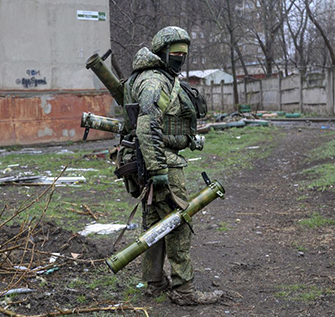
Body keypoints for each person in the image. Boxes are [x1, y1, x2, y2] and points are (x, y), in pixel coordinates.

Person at [123, 26, 224, 305]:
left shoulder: (150, 76)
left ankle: (154, 283)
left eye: (184, 54)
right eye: (175, 53)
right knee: (178, 223)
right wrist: (158, 170)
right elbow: (147, 124)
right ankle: (184, 290)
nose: (180, 58)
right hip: (161, 163)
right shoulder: (155, 80)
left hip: (151, 159)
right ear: (162, 52)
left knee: (156, 223)